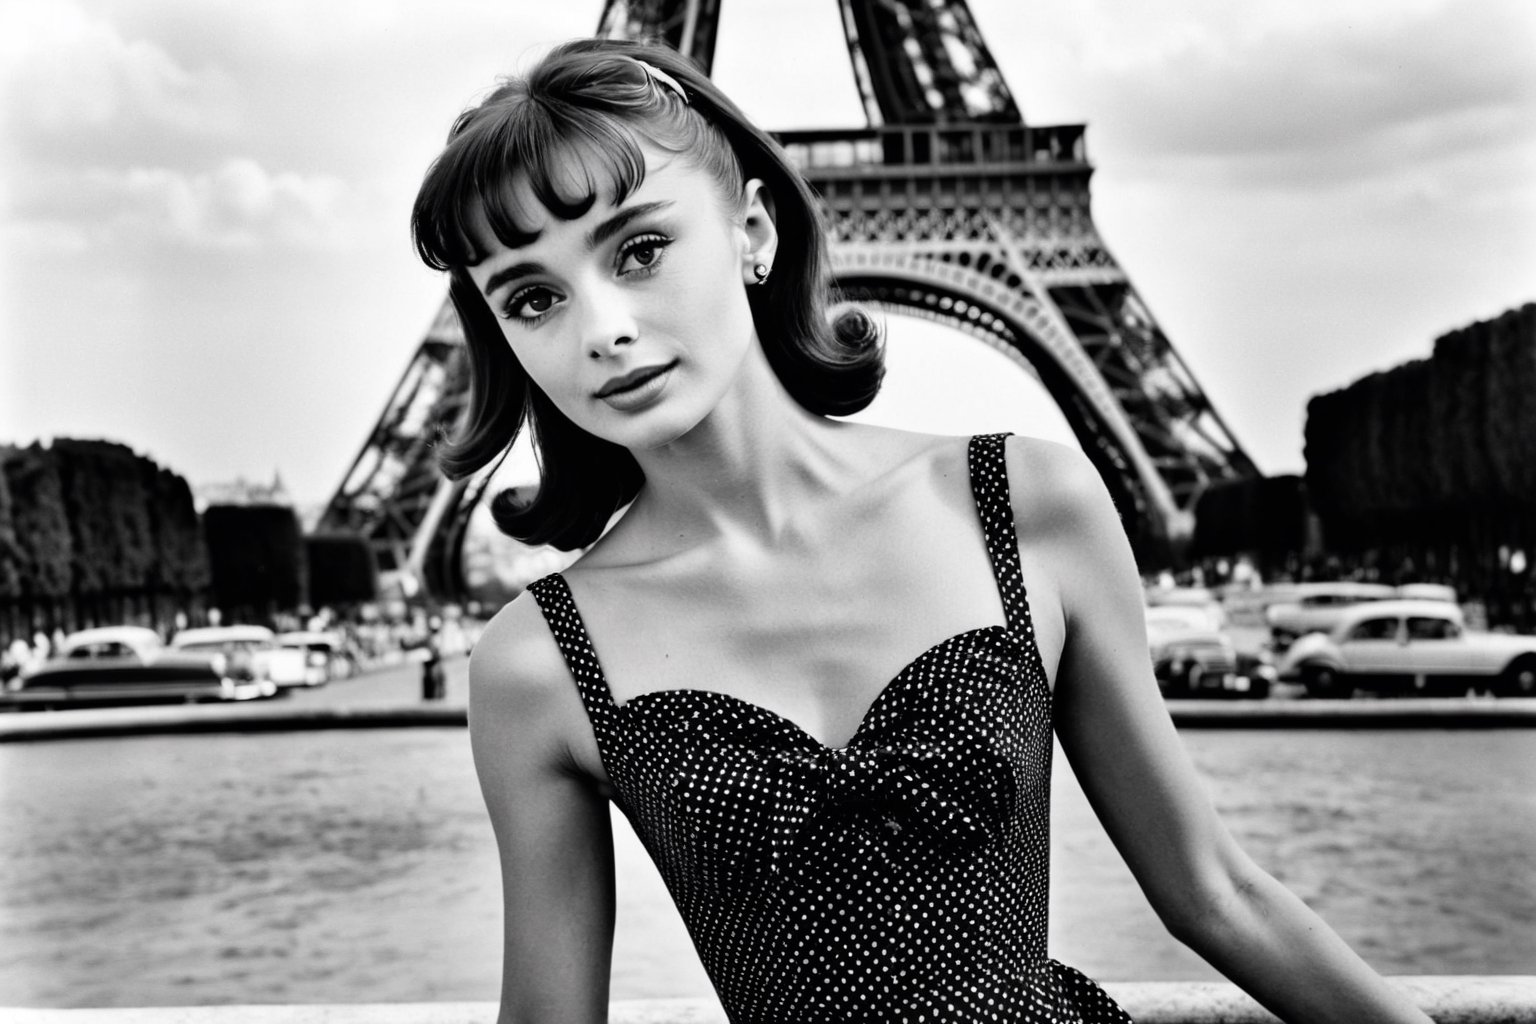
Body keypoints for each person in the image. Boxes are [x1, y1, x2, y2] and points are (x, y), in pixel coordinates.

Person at [411, 38, 1433, 1024]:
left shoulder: (1028, 503)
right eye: (533, 297)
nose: (601, 327)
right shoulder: (534, 666)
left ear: (753, 233)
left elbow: (1214, 892)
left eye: (639, 249)